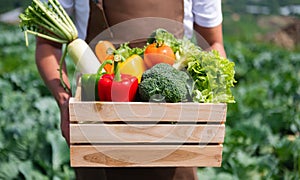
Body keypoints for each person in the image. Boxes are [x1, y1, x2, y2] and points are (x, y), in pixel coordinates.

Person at [35, 0, 226, 179]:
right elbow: (47, 45)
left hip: (175, 124)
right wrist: (64, 101)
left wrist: (213, 98)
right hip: (98, 120)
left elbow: (211, 43)